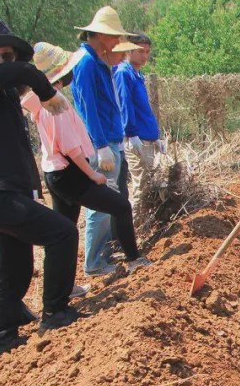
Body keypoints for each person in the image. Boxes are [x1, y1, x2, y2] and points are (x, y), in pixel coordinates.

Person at [0, 17, 81, 354]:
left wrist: (31, 187)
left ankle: (3, 331)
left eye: (5, 57)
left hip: (3, 189)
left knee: (10, 263)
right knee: (63, 234)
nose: (0, 64)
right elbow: (26, 72)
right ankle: (54, 311)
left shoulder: (3, 95)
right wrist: (49, 94)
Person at [27, 42, 151, 274]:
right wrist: (92, 174)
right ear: (63, 73)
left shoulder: (44, 103)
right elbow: (71, 148)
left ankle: (65, 284)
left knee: (65, 229)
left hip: (54, 172)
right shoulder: (57, 107)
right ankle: (131, 259)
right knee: (121, 207)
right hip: (69, 173)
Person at [70, 6, 135, 276]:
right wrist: (100, 145)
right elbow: (88, 108)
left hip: (109, 139)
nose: (117, 43)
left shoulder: (98, 61)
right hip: (101, 143)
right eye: (114, 37)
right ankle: (94, 262)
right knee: (100, 206)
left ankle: (102, 256)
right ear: (99, 35)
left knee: (109, 204)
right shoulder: (85, 63)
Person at [115, 33, 165, 200]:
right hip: (137, 139)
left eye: (147, 52)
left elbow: (143, 109)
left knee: (151, 185)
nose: (145, 56)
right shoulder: (124, 73)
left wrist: (155, 137)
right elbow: (125, 104)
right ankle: (137, 224)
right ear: (129, 50)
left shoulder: (137, 75)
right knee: (141, 189)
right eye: (141, 51)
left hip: (146, 137)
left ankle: (147, 224)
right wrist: (131, 133)